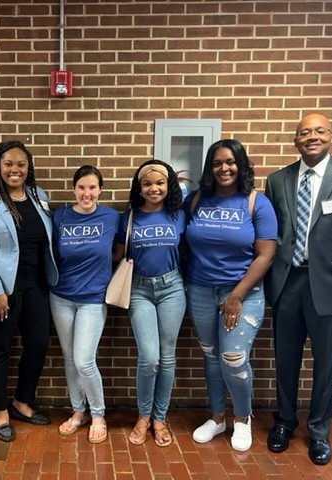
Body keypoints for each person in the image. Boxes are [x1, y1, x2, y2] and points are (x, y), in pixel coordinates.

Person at [264, 113, 332, 465]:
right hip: (288, 281)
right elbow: (276, 231)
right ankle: (283, 422)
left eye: (319, 131)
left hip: (329, 283)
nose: (312, 136)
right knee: (285, 359)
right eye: (304, 132)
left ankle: (319, 431)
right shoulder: (277, 180)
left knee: (326, 362)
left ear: (331, 136)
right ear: (295, 141)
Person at [183, 139, 277, 452]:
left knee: (233, 358)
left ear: (241, 165)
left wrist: (236, 295)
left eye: (230, 162)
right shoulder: (197, 200)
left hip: (242, 292)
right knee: (210, 354)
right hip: (200, 289)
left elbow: (265, 254)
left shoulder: (256, 202)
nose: (224, 168)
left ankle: (242, 419)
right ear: (210, 168)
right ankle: (217, 417)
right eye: (217, 163)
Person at [0, 140, 58, 442]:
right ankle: (0, 411)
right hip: (3, 288)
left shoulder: (38, 195)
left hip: (36, 287)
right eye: (8, 163)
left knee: (38, 343)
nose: (15, 169)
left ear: (28, 167)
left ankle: (22, 401)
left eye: (21, 164)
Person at [113, 159, 186, 447]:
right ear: (139, 188)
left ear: (169, 185)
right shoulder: (129, 217)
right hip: (139, 290)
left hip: (172, 288)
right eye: (147, 183)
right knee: (149, 357)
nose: (154, 188)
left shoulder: (178, 215)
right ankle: (143, 416)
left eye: (160, 182)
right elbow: (117, 254)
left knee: (167, 357)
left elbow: (188, 250)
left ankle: (159, 418)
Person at [50, 165, 119, 444]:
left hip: (93, 298)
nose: (86, 193)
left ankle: (99, 414)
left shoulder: (112, 216)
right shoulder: (61, 216)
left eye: (92, 187)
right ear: (73, 189)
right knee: (69, 359)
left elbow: (120, 249)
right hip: (61, 296)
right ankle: (78, 412)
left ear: (100, 190)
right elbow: (52, 251)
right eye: (81, 187)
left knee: (84, 360)